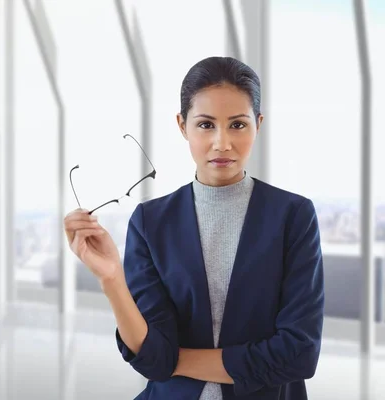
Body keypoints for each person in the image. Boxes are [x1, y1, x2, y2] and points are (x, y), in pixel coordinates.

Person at [63, 56, 324, 400]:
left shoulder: (293, 216)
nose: (221, 143)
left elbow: (299, 354)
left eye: (237, 125)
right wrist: (112, 279)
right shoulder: (150, 222)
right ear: (182, 125)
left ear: (258, 125)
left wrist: (177, 360)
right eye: (205, 125)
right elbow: (154, 357)